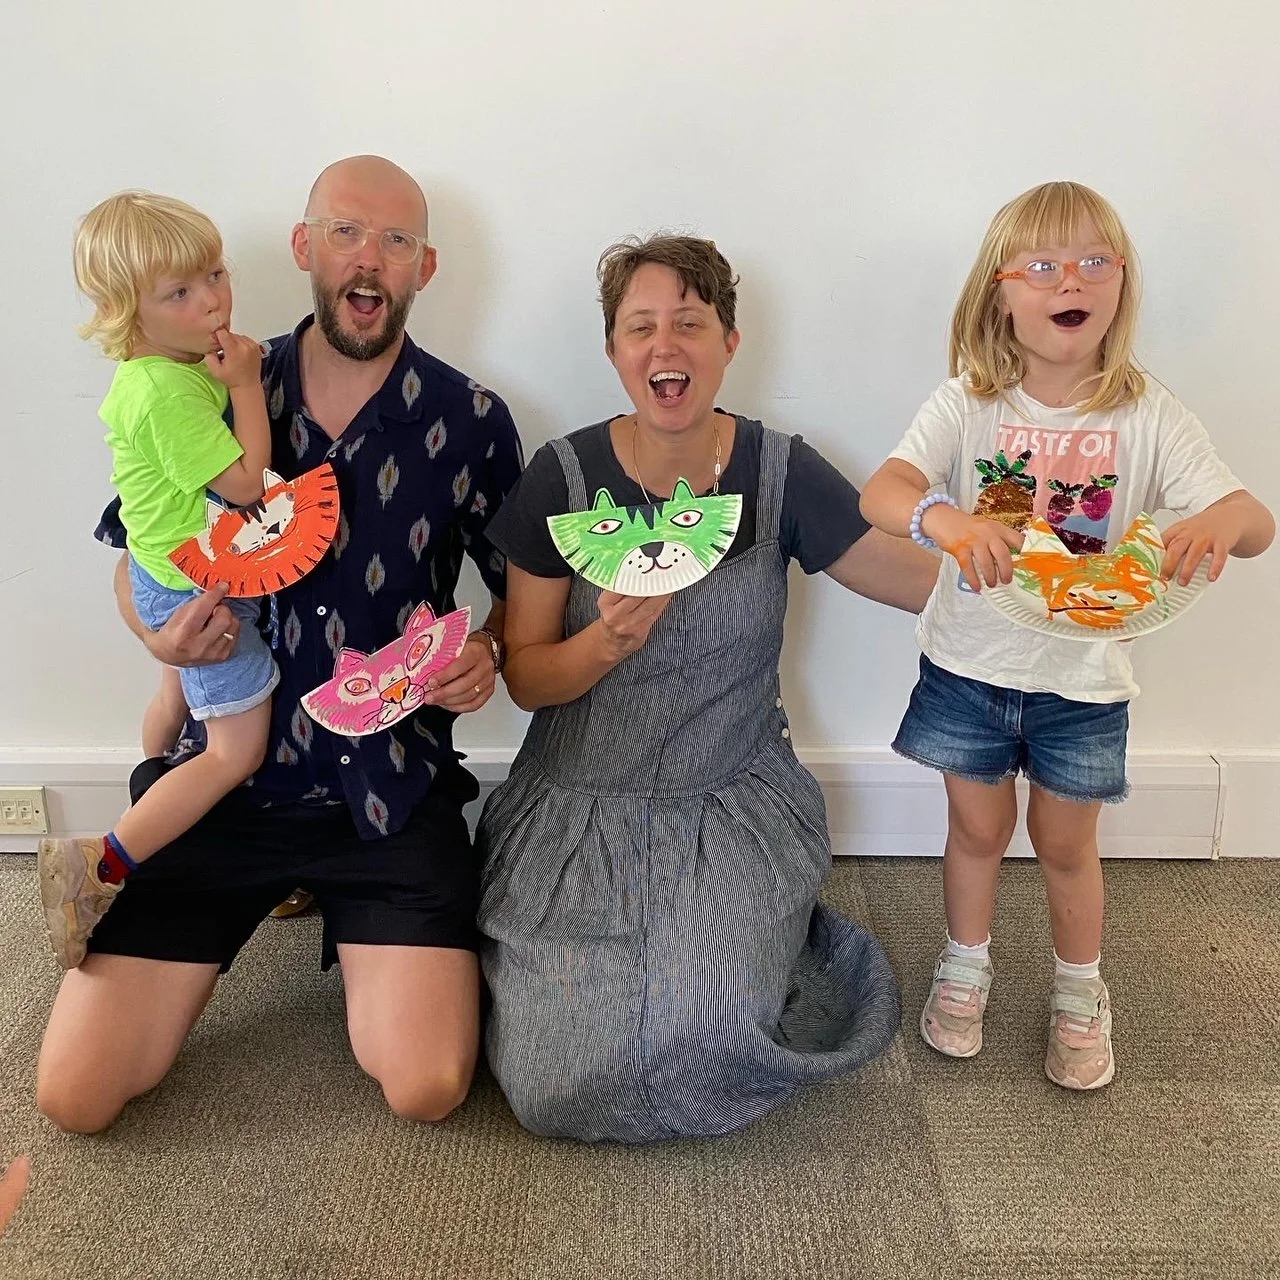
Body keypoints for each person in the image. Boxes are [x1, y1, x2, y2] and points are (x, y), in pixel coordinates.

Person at [36, 155, 523, 1133]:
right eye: (345, 231)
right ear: (304, 247)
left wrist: (493, 650)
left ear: (424, 268)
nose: (368, 258)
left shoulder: (471, 420)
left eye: (396, 240)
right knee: (73, 1096)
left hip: (387, 783)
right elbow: (135, 554)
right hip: (223, 786)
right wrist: (160, 637)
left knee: (427, 1085)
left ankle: (341, 905)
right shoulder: (206, 384)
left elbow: (522, 591)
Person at [476, 234, 940, 1142]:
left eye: (689, 323)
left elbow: (911, 578)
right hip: (576, 810)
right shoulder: (560, 477)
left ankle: (756, 941)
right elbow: (525, 677)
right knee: (551, 1079)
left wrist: (1041, 572)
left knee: (707, 1024)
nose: (666, 345)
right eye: (641, 326)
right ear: (614, 351)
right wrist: (603, 645)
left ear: (729, 342)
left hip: (729, 802)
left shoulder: (779, 471)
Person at [860, 180, 1274, 1089]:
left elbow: (1256, 520)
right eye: (1042, 266)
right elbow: (883, 492)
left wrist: (1220, 523)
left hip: (1083, 681)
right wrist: (943, 518)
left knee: (1064, 844)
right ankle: (965, 968)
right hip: (968, 667)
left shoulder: (1148, 413)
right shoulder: (968, 402)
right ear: (1001, 291)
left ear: (1120, 283)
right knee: (975, 832)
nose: (1069, 281)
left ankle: (1080, 992)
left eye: (1092, 261)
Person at [38, 193, 276, 971]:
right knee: (234, 751)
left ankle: (156, 788)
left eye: (215, 274)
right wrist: (247, 384)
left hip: (166, 568)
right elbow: (246, 484)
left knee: (175, 699)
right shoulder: (166, 392)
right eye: (180, 291)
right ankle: (103, 864)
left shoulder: (162, 369)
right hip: (192, 590)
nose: (211, 300)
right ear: (125, 311)